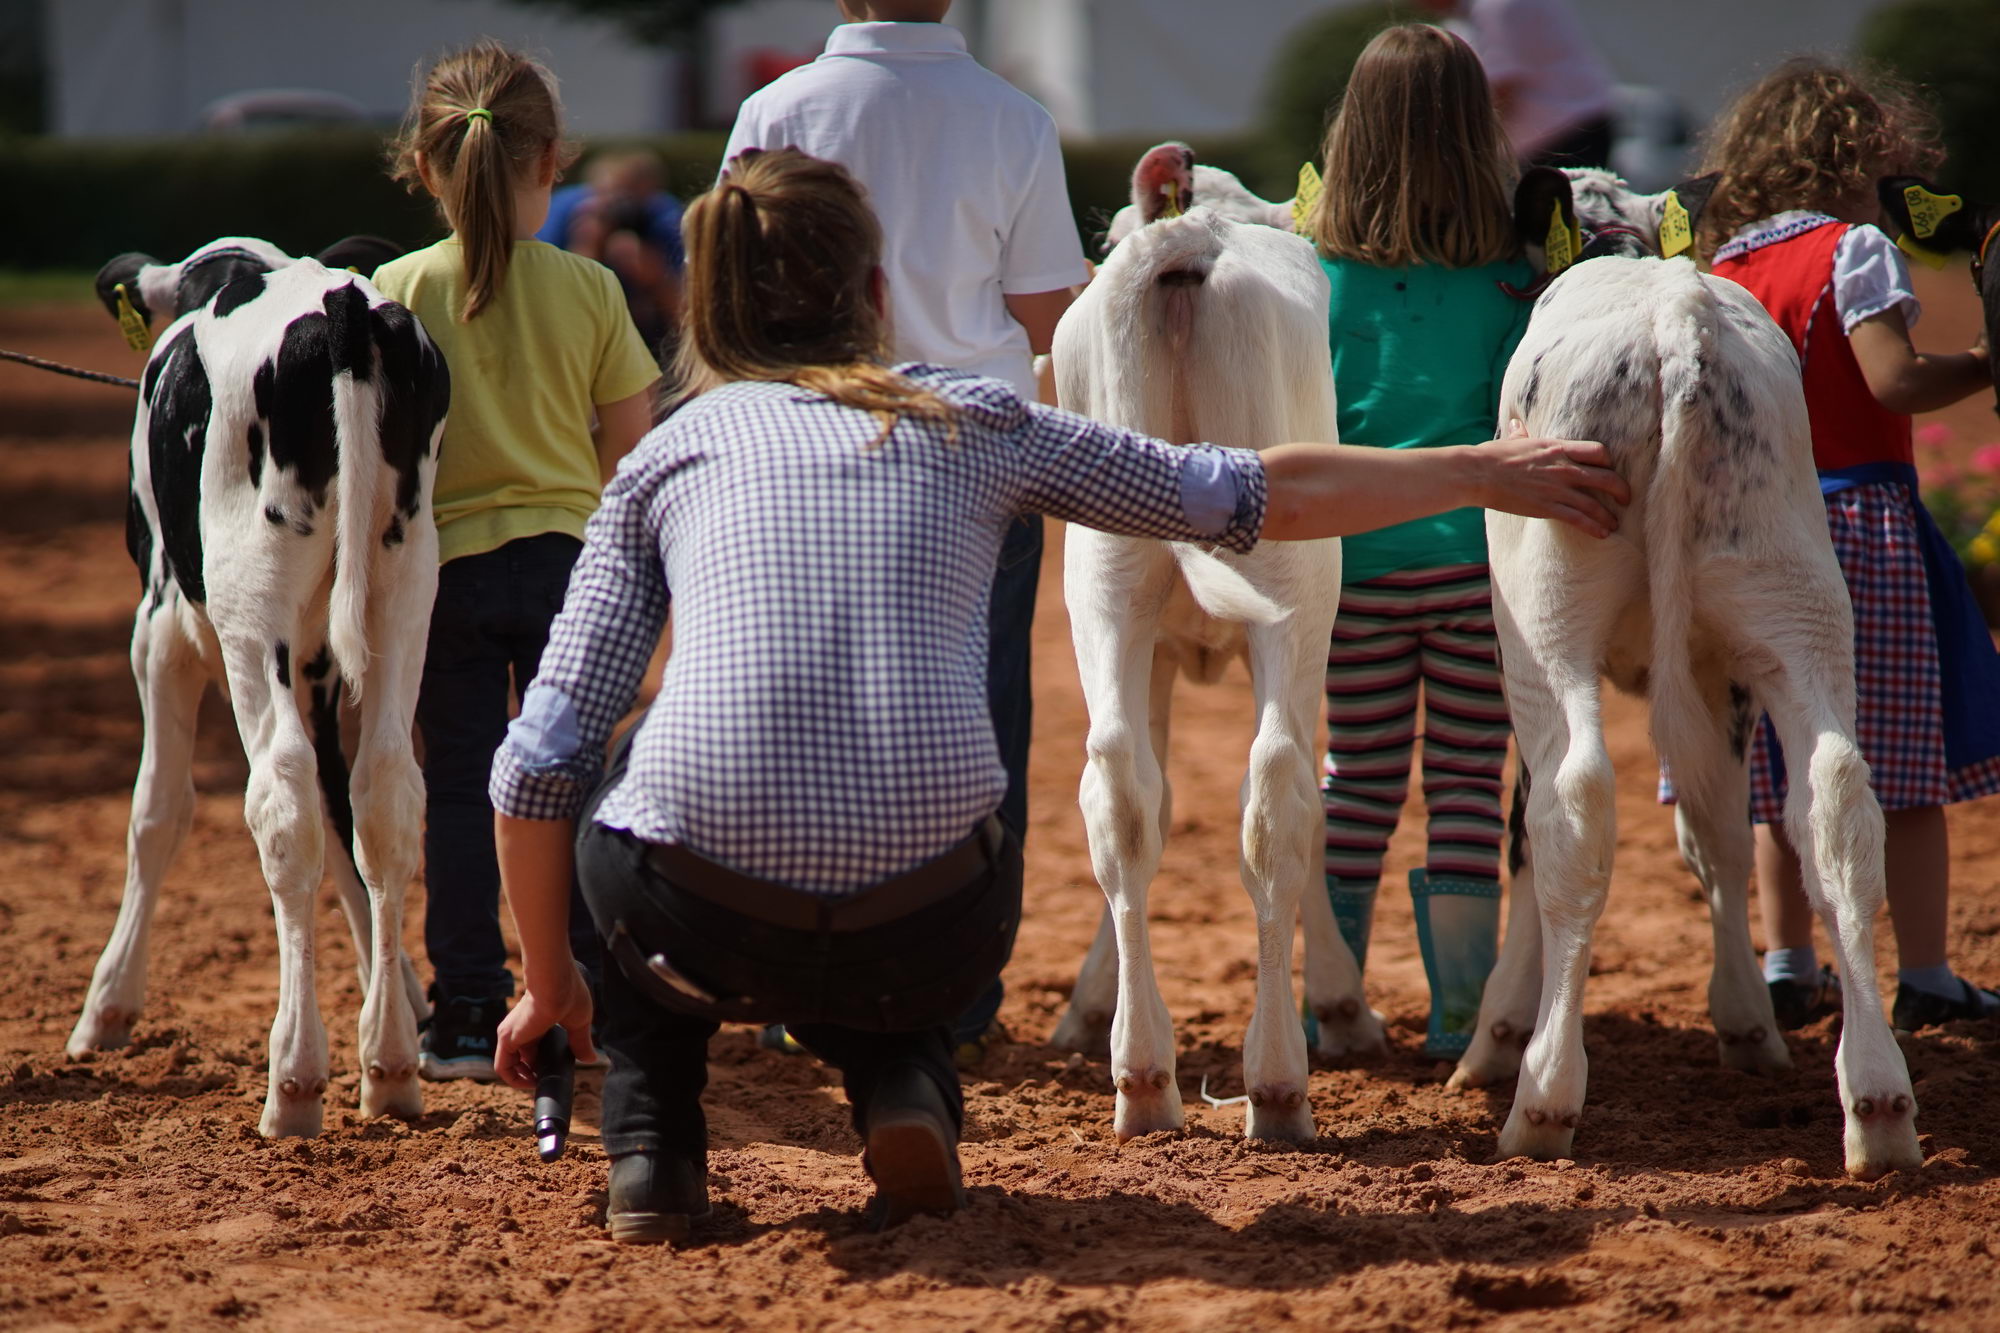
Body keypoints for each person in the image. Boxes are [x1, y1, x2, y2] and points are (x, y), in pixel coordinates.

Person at [485, 147, 1629, 1243]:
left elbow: (538, 759)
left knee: (626, 772)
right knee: (899, 868)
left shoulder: (661, 462)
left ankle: (650, 1144)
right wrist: (1481, 467)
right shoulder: (974, 422)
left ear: (702, 304)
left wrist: (546, 983)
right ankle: (904, 1082)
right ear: (878, 290)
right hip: (934, 908)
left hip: (700, 916)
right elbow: (1255, 495)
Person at [719, 0, 1093, 1061]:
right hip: (969, 455)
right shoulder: (1012, 118)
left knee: (802, 711)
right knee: (979, 718)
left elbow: (733, 297)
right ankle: (955, 987)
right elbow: (1044, 320)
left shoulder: (774, 109)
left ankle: (808, 973)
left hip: (808, 447)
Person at [372, 42, 661, 1081]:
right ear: (551, 163)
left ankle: (463, 1015)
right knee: (577, 789)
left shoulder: (393, 291)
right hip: (571, 574)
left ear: (426, 164)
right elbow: (632, 455)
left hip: (442, 578)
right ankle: (584, 995)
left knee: (457, 791)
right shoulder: (589, 289)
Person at [1694, 57, 1999, 1032]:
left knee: (1782, 760)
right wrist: (1987, 360)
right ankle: (1922, 972)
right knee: (1898, 767)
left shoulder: (1724, 263)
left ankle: (1787, 963)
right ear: (1845, 160)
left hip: (1751, 529)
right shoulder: (1853, 248)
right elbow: (1891, 383)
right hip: (1859, 519)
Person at [1304, 24, 1533, 1059]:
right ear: (1474, 133)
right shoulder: (1511, 281)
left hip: (1354, 574)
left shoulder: (1313, 284)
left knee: (1354, 773)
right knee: (1463, 781)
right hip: (1476, 574)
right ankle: (1458, 1014)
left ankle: (1328, 1000)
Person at [1413, 0, 1618, 169]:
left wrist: (1459, 155)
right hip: (1548, 143)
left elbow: (1501, 93)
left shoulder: (1497, 7)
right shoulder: (1463, 18)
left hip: (1570, 138)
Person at [538, 151, 685, 359]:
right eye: (604, 195)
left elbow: (687, 320)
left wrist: (657, 278)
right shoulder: (564, 214)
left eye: (626, 196)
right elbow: (551, 309)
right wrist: (586, 251)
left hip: (653, 347)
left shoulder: (664, 220)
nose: (614, 207)